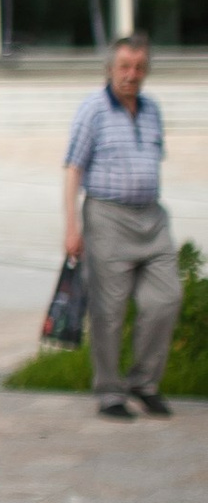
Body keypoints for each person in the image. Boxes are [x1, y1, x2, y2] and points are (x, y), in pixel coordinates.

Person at [66, 30, 181, 421]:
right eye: (125, 66)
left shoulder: (151, 109)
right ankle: (110, 391)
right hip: (107, 218)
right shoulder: (93, 109)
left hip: (151, 217)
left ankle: (144, 383)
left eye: (139, 67)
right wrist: (71, 226)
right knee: (108, 310)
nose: (132, 74)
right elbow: (73, 168)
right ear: (110, 69)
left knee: (166, 298)